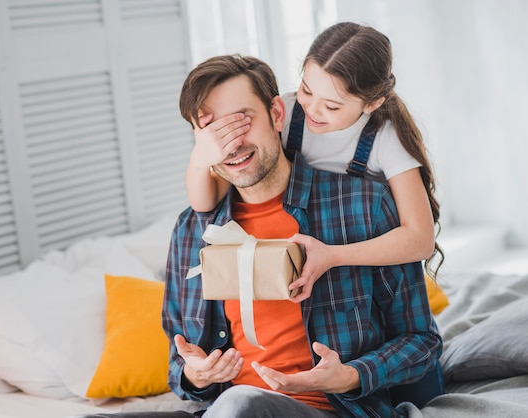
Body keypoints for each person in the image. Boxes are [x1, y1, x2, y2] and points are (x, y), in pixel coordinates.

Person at [162, 54, 442, 418]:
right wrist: (195, 375)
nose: (231, 144)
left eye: (242, 121)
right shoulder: (190, 230)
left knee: (242, 404)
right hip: (225, 409)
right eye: (213, 131)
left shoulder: (363, 206)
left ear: (277, 115)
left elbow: (422, 342)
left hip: (330, 410)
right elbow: (177, 363)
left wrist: (350, 376)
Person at [184, 22, 444, 302]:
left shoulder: (385, 138)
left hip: (360, 264)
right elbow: (205, 202)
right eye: (307, 90)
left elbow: (420, 239)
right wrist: (201, 158)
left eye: (332, 106)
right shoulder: (287, 112)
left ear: (371, 104)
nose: (313, 110)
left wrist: (332, 256)